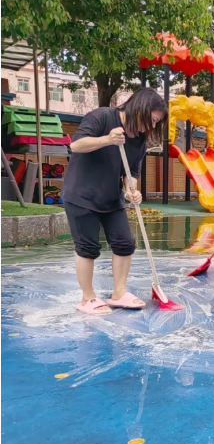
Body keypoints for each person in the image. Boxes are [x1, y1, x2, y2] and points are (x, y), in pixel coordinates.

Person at [61, 88, 166, 315]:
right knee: (88, 247)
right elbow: (76, 145)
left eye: (156, 123)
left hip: (110, 196)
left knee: (125, 243)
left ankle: (119, 292)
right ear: (139, 109)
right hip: (81, 194)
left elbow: (132, 172)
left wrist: (131, 190)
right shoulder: (102, 117)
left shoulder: (139, 141)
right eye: (152, 120)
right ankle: (87, 297)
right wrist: (107, 140)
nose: (152, 126)